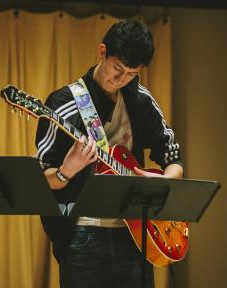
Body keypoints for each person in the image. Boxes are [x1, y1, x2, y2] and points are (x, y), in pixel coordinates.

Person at [35, 19, 183, 288]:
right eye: (117, 69)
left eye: (131, 73)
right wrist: (67, 170)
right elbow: (42, 177)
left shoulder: (141, 99)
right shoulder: (64, 103)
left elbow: (172, 156)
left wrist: (164, 182)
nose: (121, 79)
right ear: (102, 51)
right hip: (83, 233)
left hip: (136, 234)